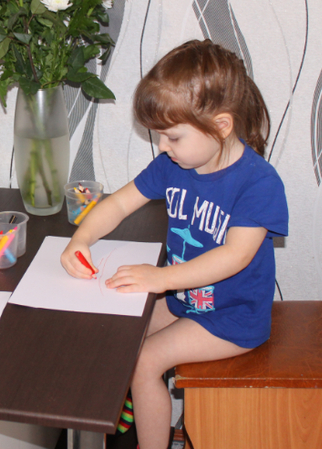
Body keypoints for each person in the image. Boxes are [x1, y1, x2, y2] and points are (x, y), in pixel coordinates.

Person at [60, 39, 288, 449]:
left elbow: (234, 256)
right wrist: (80, 238)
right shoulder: (174, 165)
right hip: (187, 302)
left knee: (145, 361)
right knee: (116, 333)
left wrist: (160, 278)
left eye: (173, 137)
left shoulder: (259, 183)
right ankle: (130, 410)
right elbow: (119, 203)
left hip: (232, 317)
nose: (163, 147)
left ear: (221, 126)